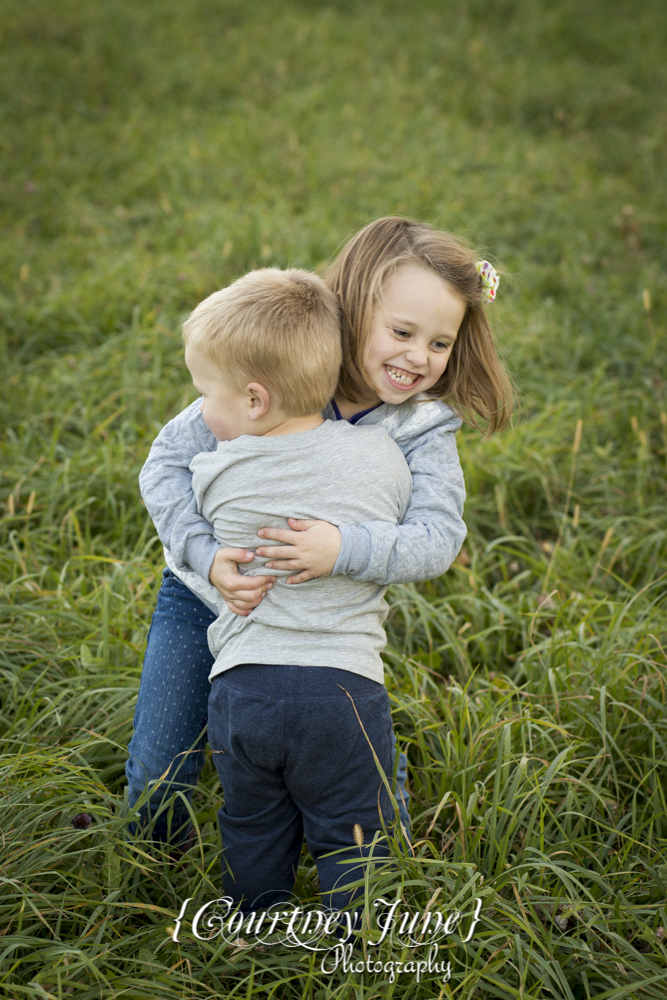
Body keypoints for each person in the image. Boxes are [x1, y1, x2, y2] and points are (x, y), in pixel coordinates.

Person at [126, 216, 511, 853]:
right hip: (207, 598)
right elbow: (165, 463)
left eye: (440, 344)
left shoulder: (421, 428)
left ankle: (375, 884)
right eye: (402, 332)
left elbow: (437, 538)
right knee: (161, 762)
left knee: (356, 758)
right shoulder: (289, 362)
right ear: (354, 307)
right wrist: (206, 553)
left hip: (326, 627)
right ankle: (147, 872)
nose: (419, 357)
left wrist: (344, 548)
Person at [177, 267, 412, 910]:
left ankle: (254, 933)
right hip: (343, 688)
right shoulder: (382, 457)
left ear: (255, 400)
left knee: (252, 825)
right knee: (354, 831)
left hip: (242, 687)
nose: (201, 411)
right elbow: (394, 522)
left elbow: (182, 498)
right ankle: (357, 943)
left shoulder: (214, 470)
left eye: (205, 394)